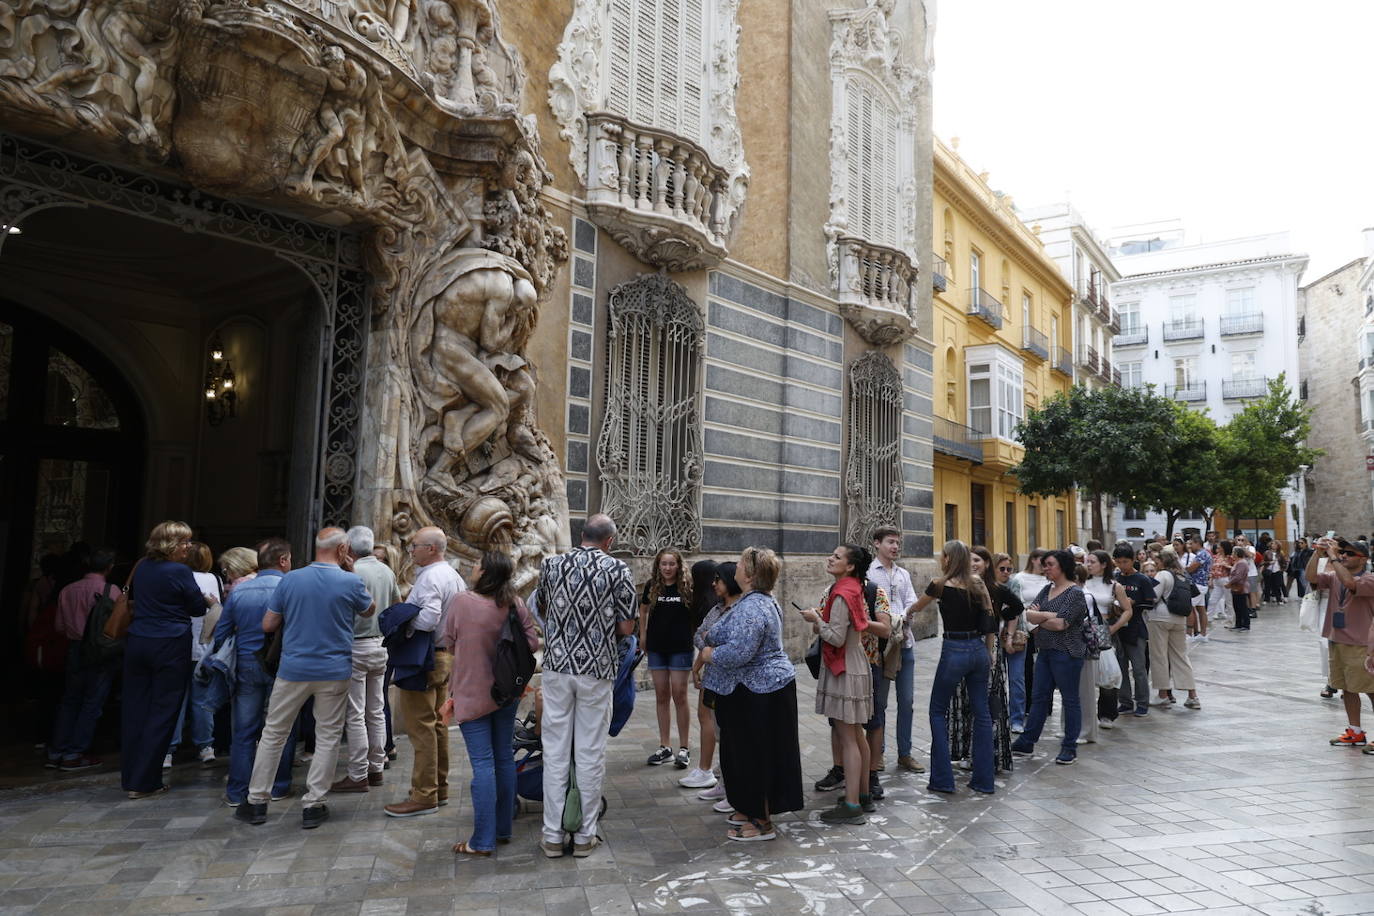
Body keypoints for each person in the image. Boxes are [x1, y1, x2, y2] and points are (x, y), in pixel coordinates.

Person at [235, 528, 374, 829]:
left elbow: (268, 624)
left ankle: (257, 800)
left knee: (273, 732)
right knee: (327, 735)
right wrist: (349, 571)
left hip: (294, 669)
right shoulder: (350, 581)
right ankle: (313, 804)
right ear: (342, 550)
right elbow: (369, 610)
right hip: (334, 670)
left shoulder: (292, 580)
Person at [529, 514, 636, 858]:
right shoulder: (617, 569)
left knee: (556, 751)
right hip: (596, 668)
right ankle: (584, 836)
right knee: (589, 753)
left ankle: (551, 836)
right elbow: (627, 627)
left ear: (581, 535)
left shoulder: (552, 565)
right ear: (609, 541)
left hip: (558, 666)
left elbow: (541, 607)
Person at [700, 547, 803, 841]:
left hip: (761, 692)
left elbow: (738, 652)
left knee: (756, 756)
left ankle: (761, 822)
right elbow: (721, 631)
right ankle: (746, 807)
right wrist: (712, 638)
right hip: (748, 691)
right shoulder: (752, 601)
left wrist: (709, 653)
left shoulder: (755, 606)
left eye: (742, 563)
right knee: (740, 754)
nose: (737, 566)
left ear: (751, 574)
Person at [442, 550, 540, 857]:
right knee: (502, 759)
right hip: (506, 692)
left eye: (476, 565)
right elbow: (533, 643)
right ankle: (502, 829)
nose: (473, 568)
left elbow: (447, 640)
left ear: (485, 572)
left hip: (471, 693)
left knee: (483, 765)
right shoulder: (514, 603)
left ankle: (482, 840)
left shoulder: (461, 602)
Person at [121, 521, 211, 799]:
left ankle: (131, 777)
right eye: (184, 542)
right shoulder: (179, 571)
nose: (188, 547)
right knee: (164, 710)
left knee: (136, 710)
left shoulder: (143, 567)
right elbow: (196, 608)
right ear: (171, 545)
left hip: (138, 641)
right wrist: (205, 600)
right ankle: (146, 780)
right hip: (170, 643)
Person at [901, 540, 996, 793]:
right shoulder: (978, 584)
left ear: (948, 559)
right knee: (982, 713)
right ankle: (984, 781)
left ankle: (943, 780)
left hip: (954, 649)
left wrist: (905, 614)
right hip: (978, 649)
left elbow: (916, 607)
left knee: (937, 711)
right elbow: (989, 620)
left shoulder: (939, 584)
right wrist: (989, 653)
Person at [385, 526, 465, 818]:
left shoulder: (431, 577)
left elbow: (429, 618)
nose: (411, 550)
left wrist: (402, 623)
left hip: (425, 656)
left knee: (421, 728)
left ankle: (424, 795)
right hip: (444, 656)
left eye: (415, 546)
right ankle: (438, 787)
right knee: (437, 725)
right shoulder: (452, 575)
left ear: (431, 548)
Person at [799, 544, 881, 822]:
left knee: (848, 738)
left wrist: (815, 620)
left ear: (849, 566)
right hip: (855, 662)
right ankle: (863, 795)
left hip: (845, 666)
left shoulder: (842, 592)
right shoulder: (854, 587)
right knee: (857, 734)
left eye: (836, 557)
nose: (829, 558)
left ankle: (852, 805)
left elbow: (835, 637)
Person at [214, 537, 297, 808]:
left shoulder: (239, 592)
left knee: (244, 731)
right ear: (283, 560)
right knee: (280, 727)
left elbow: (221, 632)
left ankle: (238, 790)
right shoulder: (291, 588)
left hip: (247, 662)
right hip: (282, 663)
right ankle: (278, 785)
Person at [330, 526, 401, 794]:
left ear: (348, 546)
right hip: (380, 645)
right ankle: (377, 766)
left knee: (356, 712)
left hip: (356, 644)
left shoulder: (351, 573)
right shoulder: (386, 570)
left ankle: (358, 772)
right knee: (376, 708)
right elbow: (397, 604)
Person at [1009, 549, 1089, 766]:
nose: (1045, 568)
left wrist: (1041, 616)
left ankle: (1069, 747)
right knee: (1039, 698)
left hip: (1067, 653)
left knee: (1070, 700)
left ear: (1062, 566)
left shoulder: (1075, 593)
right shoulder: (1047, 589)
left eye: (1049, 564)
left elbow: (1061, 624)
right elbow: (1029, 615)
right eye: (1044, 564)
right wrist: (1047, 616)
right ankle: (1027, 741)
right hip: (1044, 651)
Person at [47, 548, 120, 771]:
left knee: (69, 700)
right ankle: (75, 752)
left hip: (75, 648)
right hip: (99, 651)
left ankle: (56, 750)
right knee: (92, 703)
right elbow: (118, 626)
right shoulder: (111, 590)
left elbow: (59, 626)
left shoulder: (67, 590)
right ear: (109, 567)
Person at [1305, 537, 1374, 752]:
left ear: (1363, 559)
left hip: (1362, 643)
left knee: (1371, 690)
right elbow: (1311, 577)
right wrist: (1318, 552)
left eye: (1349, 553)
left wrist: (1333, 557)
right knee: (1346, 688)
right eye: (1342, 552)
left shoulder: (1370, 579)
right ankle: (1355, 731)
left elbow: (1351, 584)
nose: (1343, 555)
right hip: (1337, 639)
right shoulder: (1334, 576)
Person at [866, 526, 922, 774]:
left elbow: (912, 600)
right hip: (881, 647)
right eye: (890, 542)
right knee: (879, 702)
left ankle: (905, 753)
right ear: (877, 544)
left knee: (907, 701)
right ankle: (877, 754)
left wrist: (905, 616)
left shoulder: (903, 574)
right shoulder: (868, 574)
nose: (895, 547)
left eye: (897, 543)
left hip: (905, 643)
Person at [683, 562, 740, 798]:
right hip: (713, 678)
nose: (714, 584)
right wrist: (710, 644)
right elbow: (699, 635)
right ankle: (724, 783)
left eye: (719, 579)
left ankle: (730, 786)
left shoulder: (740, 610)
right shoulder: (716, 609)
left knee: (728, 731)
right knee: (717, 728)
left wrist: (710, 644)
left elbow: (733, 645)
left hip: (731, 681)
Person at [168, 541, 224, 768]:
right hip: (205, 647)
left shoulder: (177, 577)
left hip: (179, 645)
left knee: (176, 700)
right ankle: (205, 747)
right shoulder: (214, 579)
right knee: (201, 700)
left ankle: (168, 750)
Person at [639, 548, 694, 770]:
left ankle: (684, 748)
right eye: (664, 564)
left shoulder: (688, 587)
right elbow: (643, 610)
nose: (668, 568)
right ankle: (665, 747)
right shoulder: (652, 586)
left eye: (672, 564)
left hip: (680, 647)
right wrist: (643, 635)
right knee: (662, 694)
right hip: (657, 647)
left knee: (680, 694)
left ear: (678, 566)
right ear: (658, 565)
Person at [1082, 550, 1132, 734]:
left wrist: (1115, 627)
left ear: (1103, 564)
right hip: (1084, 630)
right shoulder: (1082, 583)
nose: (1088, 565)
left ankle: (1107, 713)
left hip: (1105, 631)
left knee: (1109, 673)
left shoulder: (1114, 586)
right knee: (1084, 673)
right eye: (1087, 561)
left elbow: (1127, 610)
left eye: (1092, 562)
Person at [1147, 547, 1201, 709]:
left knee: (1159, 656)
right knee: (1181, 656)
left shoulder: (1163, 574)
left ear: (1163, 561)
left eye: (1157, 562)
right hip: (1179, 619)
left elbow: (1153, 596)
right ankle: (1193, 696)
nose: (1156, 565)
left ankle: (1163, 695)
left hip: (1160, 618)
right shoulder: (1183, 575)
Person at [1006, 549, 1048, 733]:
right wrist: (1032, 626)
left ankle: (1041, 705)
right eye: (1042, 561)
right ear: (1033, 560)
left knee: (1043, 668)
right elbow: (1018, 605)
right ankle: (1025, 708)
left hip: (1046, 627)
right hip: (1026, 628)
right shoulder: (1020, 579)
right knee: (1027, 670)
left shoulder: (1048, 579)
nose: (1044, 565)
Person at [1111, 545, 1152, 717]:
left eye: (1125, 562)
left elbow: (1150, 603)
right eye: (1118, 562)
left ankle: (1142, 702)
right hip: (1118, 628)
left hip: (1136, 629)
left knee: (1138, 668)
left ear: (1133, 560)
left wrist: (1133, 603)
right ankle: (1125, 701)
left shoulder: (1142, 579)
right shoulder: (1115, 578)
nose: (1122, 565)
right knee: (1120, 668)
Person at [1183, 536, 1211, 641]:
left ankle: (1189, 634)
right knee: (1201, 609)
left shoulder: (1201, 554)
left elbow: (1191, 569)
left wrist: (1182, 569)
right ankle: (1203, 634)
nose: (1190, 546)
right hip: (1201, 585)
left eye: (1192, 544)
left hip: (1197, 585)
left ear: (1197, 543)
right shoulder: (1205, 553)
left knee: (1189, 608)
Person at [1225, 545, 1253, 631]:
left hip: (1240, 587)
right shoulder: (1238, 562)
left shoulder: (1242, 563)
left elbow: (1238, 576)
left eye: (1233, 553)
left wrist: (1230, 583)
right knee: (1237, 606)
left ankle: (1245, 624)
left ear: (1237, 554)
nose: (1232, 554)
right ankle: (1239, 624)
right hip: (1236, 587)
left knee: (1242, 607)